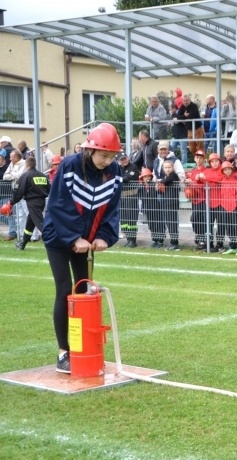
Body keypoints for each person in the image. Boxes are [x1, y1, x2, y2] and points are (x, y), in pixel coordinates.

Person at [41, 123, 123, 374]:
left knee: (86, 289)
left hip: (86, 240)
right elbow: (58, 205)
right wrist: (73, 237)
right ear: (90, 150)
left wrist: (104, 236)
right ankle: (64, 351)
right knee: (65, 289)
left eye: (112, 156)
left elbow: (111, 209)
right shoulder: (70, 165)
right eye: (103, 156)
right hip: (58, 236)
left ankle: (84, 345)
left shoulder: (114, 172)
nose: (107, 161)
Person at [6, 157, 49, 251]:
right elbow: (48, 189)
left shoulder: (26, 175)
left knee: (40, 223)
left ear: (27, 165)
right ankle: (22, 244)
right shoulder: (42, 175)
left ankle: (52, 243)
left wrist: (11, 202)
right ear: (35, 164)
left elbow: (19, 191)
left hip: (33, 203)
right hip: (41, 202)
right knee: (30, 224)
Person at [117, 153, 141, 247]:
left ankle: (133, 240)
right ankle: (128, 238)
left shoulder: (133, 166)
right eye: (122, 159)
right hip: (121, 197)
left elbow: (127, 178)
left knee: (131, 218)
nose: (124, 160)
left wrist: (119, 179)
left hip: (131, 196)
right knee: (123, 219)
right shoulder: (119, 168)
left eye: (125, 158)